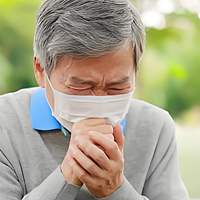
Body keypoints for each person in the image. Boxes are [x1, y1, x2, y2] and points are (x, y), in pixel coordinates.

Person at [0, 0, 189, 199]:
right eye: (81, 85)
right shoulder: (5, 124)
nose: (99, 101)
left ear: (135, 71)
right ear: (40, 70)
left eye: (116, 86)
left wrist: (116, 190)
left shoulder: (155, 128)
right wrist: (68, 174)